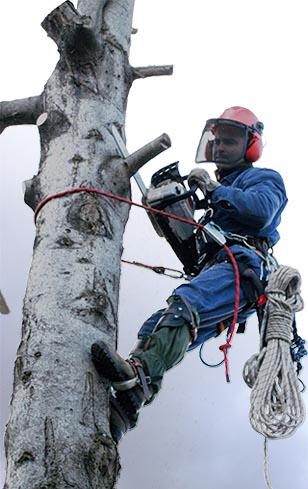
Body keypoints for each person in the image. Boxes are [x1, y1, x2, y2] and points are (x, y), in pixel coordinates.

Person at [91, 106, 288, 443]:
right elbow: (196, 247)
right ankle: (131, 400)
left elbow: (260, 212)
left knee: (187, 303)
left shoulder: (262, 179)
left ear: (251, 144)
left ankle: (138, 379)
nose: (222, 147)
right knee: (157, 323)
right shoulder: (211, 199)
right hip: (221, 268)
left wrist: (214, 190)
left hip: (244, 266)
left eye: (230, 141)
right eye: (218, 141)